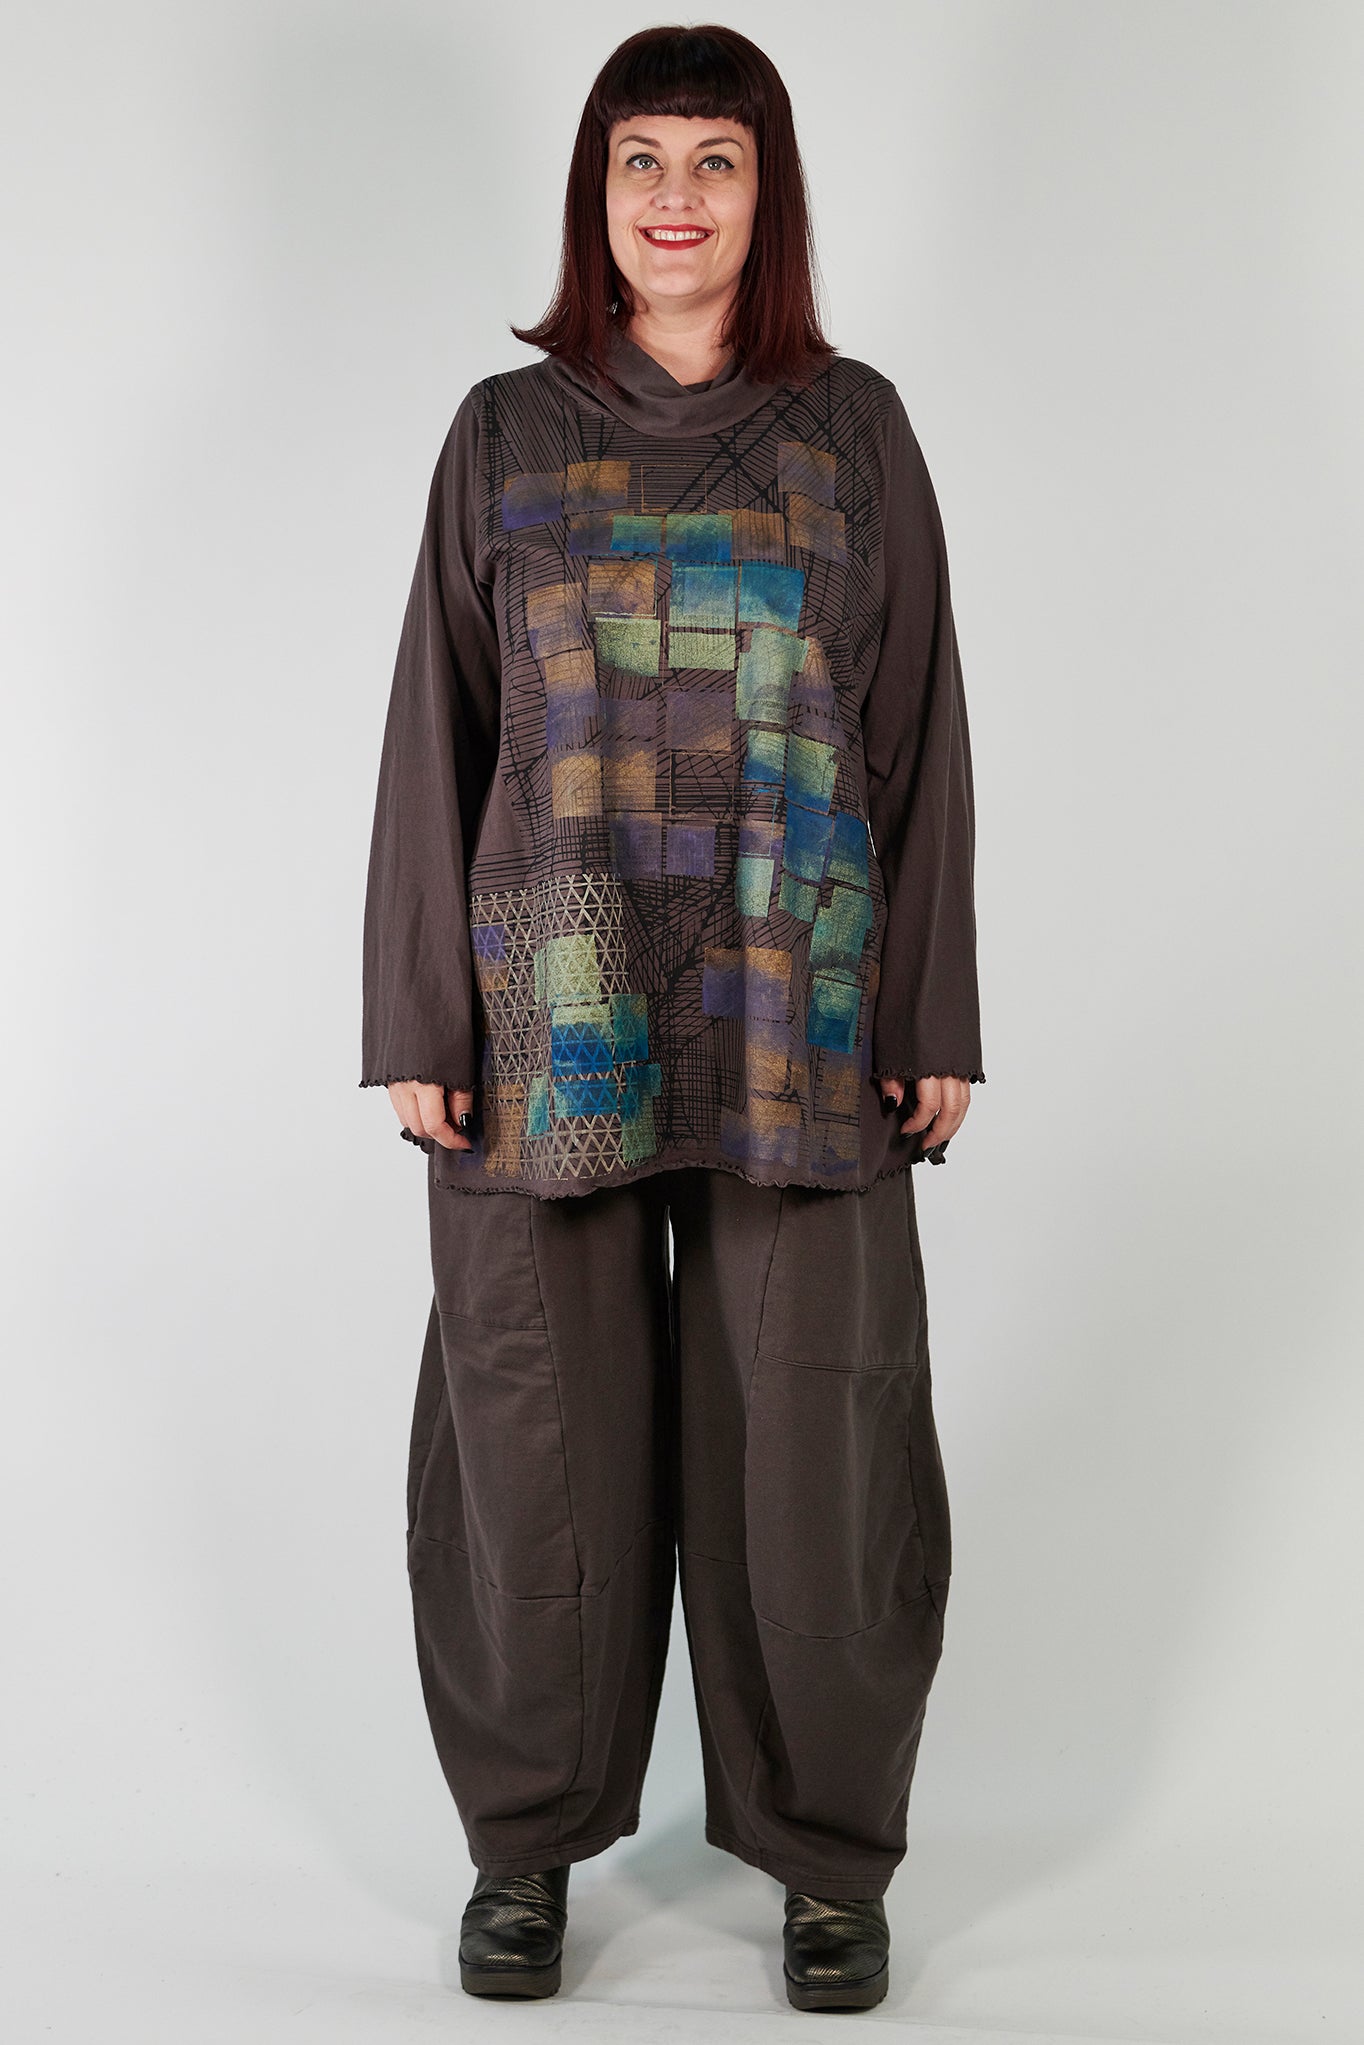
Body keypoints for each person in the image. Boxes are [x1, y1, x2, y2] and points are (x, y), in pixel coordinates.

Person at [359, 21, 984, 2016]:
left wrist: (931, 1004)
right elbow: (437, 731)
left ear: (764, 194)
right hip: (549, 1001)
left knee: (812, 1439)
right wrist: (418, 1013)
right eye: (642, 160)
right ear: (597, 193)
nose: (676, 199)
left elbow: (917, 734)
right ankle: (526, 1840)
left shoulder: (855, 432)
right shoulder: (502, 435)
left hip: (802, 998)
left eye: (715, 160)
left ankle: (827, 1857)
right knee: (534, 1429)